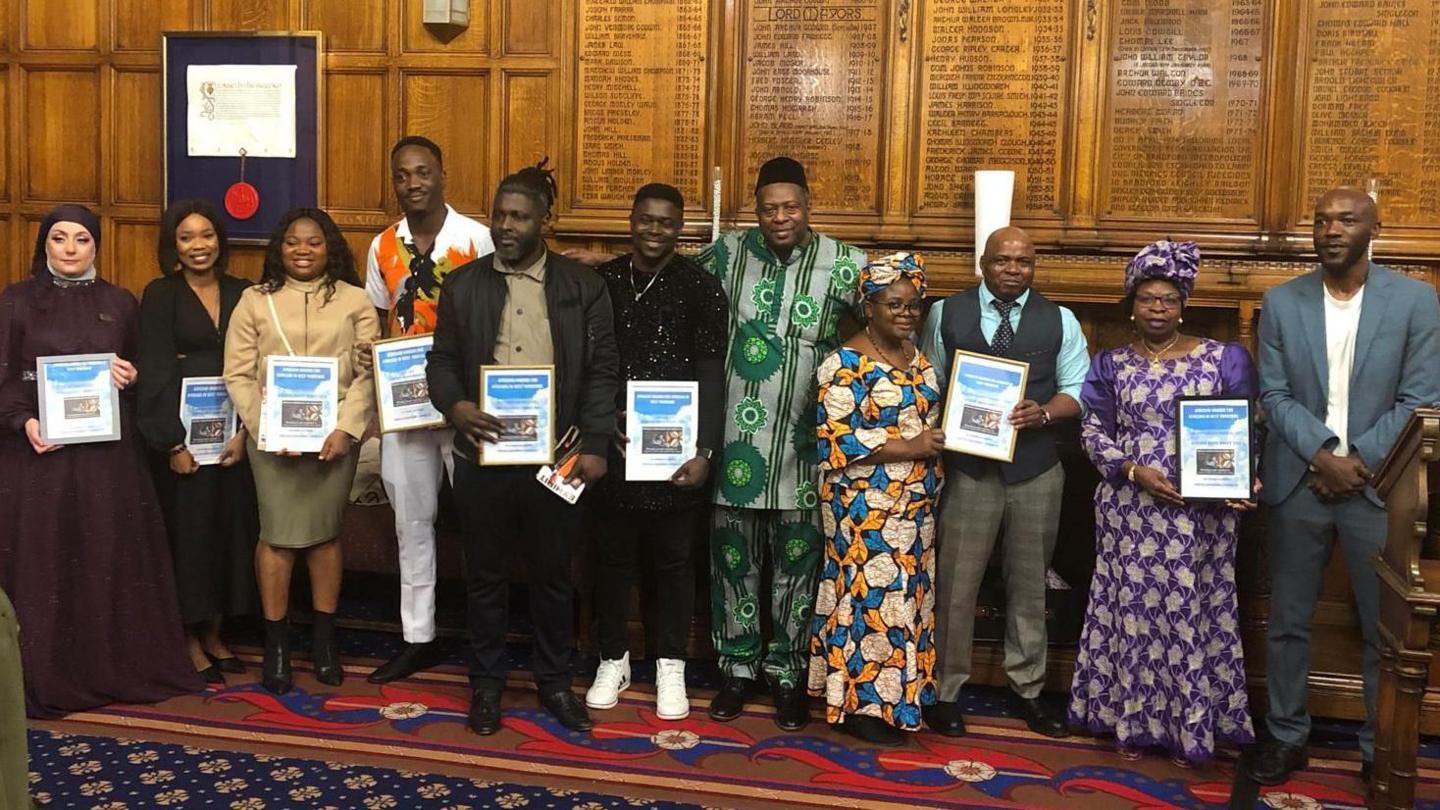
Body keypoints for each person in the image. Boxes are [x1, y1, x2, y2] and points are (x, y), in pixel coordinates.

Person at [1250, 188, 1440, 785]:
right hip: (1299, 483)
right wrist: (1324, 454)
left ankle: (1376, 743)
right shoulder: (1282, 303)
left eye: (1345, 219)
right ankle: (1286, 735)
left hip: (1379, 485)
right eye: (1321, 220)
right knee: (1288, 620)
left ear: (1373, 227)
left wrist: (1358, 459)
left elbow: (1421, 398)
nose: (1331, 229)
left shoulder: (1416, 302)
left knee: (1380, 627)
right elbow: (1273, 395)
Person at [428, 160, 618, 736]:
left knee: (553, 577)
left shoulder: (582, 285)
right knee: (483, 576)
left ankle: (555, 684)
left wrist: (596, 442)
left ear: (544, 221)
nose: (505, 226)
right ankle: (485, 687)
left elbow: (603, 370)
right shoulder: (463, 284)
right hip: (483, 457)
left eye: (519, 217)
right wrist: (454, 405)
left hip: (556, 457)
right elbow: (439, 361)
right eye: (499, 215)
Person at [0, 204, 200, 716]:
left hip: (108, 461)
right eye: (60, 238)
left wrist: (129, 379)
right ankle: (46, 674)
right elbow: (3, 381)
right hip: (40, 457)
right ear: (43, 244)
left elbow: (144, 376)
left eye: (82, 239)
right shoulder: (16, 302)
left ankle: (110, 667)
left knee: (106, 555)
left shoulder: (120, 301)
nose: (70, 249)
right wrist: (24, 422)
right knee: (47, 564)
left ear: (96, 247)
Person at [1066, 240, 1257, 766]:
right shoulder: (1110, 364)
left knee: (1193, 611)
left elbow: (1242, 426)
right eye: (1147, 298)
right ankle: (1130, 718)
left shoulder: (1224, 358)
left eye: (1168, 299)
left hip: (1201, 513)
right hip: (1131, 507)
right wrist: (1133, 470)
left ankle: (1192, 726)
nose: (1157, 307)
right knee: (1132, 610)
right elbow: (1092, 428)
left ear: (1183, 304)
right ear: (1132, 304)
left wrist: (1244, 478)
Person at [697, 156, 867, 732]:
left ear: (808, 205)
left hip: (806, 445)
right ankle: (737, 669)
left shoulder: (845, 264)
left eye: (790, 206)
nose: (779, 218)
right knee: (732, 563)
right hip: (734, 443)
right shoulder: (726, 254)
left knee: (798, 567)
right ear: (756, 209)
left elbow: (895, 315)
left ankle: (789, 673)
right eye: (768, 208)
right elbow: (669, 276)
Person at [916, 225, 1089, 739]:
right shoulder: (948, 312)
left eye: (1024, 262)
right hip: (969, 472)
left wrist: (1045, 412)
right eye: (1003, 261)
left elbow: (1078, 390)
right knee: (955, 586)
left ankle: (1029, 690)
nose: (1014, 269)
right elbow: (928, 378)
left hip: (1036, 471)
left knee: (1029, 586)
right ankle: (945, 690)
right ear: (983, 263)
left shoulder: (1060, 320)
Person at [584, 183, 728, 721]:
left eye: (665, 222)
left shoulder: (701, 287)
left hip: (677, 455)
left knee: (673, 564)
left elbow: (712, 375)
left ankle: (671, 663)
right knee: (613, 560)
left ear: (680, 228)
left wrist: (705, 451)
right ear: (631, 220)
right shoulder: (603, 282)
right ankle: (613, 658)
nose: (653, 230)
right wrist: (600, 422)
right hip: (617, 450)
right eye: (645, 219)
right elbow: (585, 362)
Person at [224, 207, 379, 695]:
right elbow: (238, 374)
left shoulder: (357, 301)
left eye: (314, 241)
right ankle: (277, 645)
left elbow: (367, 373)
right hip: (271, 441)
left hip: (334, 438)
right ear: (279, 248)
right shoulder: (254, 301)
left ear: (329, 246)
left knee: (324, 536)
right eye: (293, 242)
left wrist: (348, 429)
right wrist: (266, 430)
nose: (303, 250)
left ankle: (325, 641)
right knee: (277, 536)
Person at [364, 136, 494, 684]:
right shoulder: (381, 246)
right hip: (406, 406)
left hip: (467, 405)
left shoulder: (476, 238)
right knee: (411, 522)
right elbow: (377, 318)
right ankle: (418, 636)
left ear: (443, 174)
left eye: (422, 173)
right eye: (402, 175)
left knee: (484, 521)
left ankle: (487, 637)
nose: (412, 184)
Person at [810, 252, 944, 746]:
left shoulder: (917, 357)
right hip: (866, 506)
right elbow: (836, 439)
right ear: (869, 306)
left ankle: (903, 694)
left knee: (906, 598)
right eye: (894, 304)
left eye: (914, 305)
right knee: (871, 598)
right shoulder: (843, 363)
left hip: (916, 506)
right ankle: (864, 705)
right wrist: (911, 447)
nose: (906, 313)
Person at [137, 198, 259, 685]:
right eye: (186, 237)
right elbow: (157, 370)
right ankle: (188, 638)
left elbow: (258, 363)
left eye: (206, 235)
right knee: (188, 538)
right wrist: (171, 444)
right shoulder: (161, 294)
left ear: (220, 240)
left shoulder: (243, 292)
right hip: (183, 443)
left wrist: (247, 435)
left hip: (234, 438)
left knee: (229, 535)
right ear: (173, 245)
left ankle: (215, 632)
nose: (198, 245)